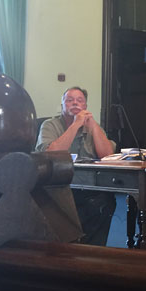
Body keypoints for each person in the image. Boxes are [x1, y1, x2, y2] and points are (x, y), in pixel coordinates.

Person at [36, 86, 116, 246]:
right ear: (62, 104)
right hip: (58, 184)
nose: (75, 103)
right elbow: (52, 153)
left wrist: (92, 125)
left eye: (80, 100)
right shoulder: (50, 125)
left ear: (85, 106)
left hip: (88, 186)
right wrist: (75, 124)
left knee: (106, 201)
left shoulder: (92, 127)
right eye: (70, 100)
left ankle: (93, 252)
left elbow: (107, 156)